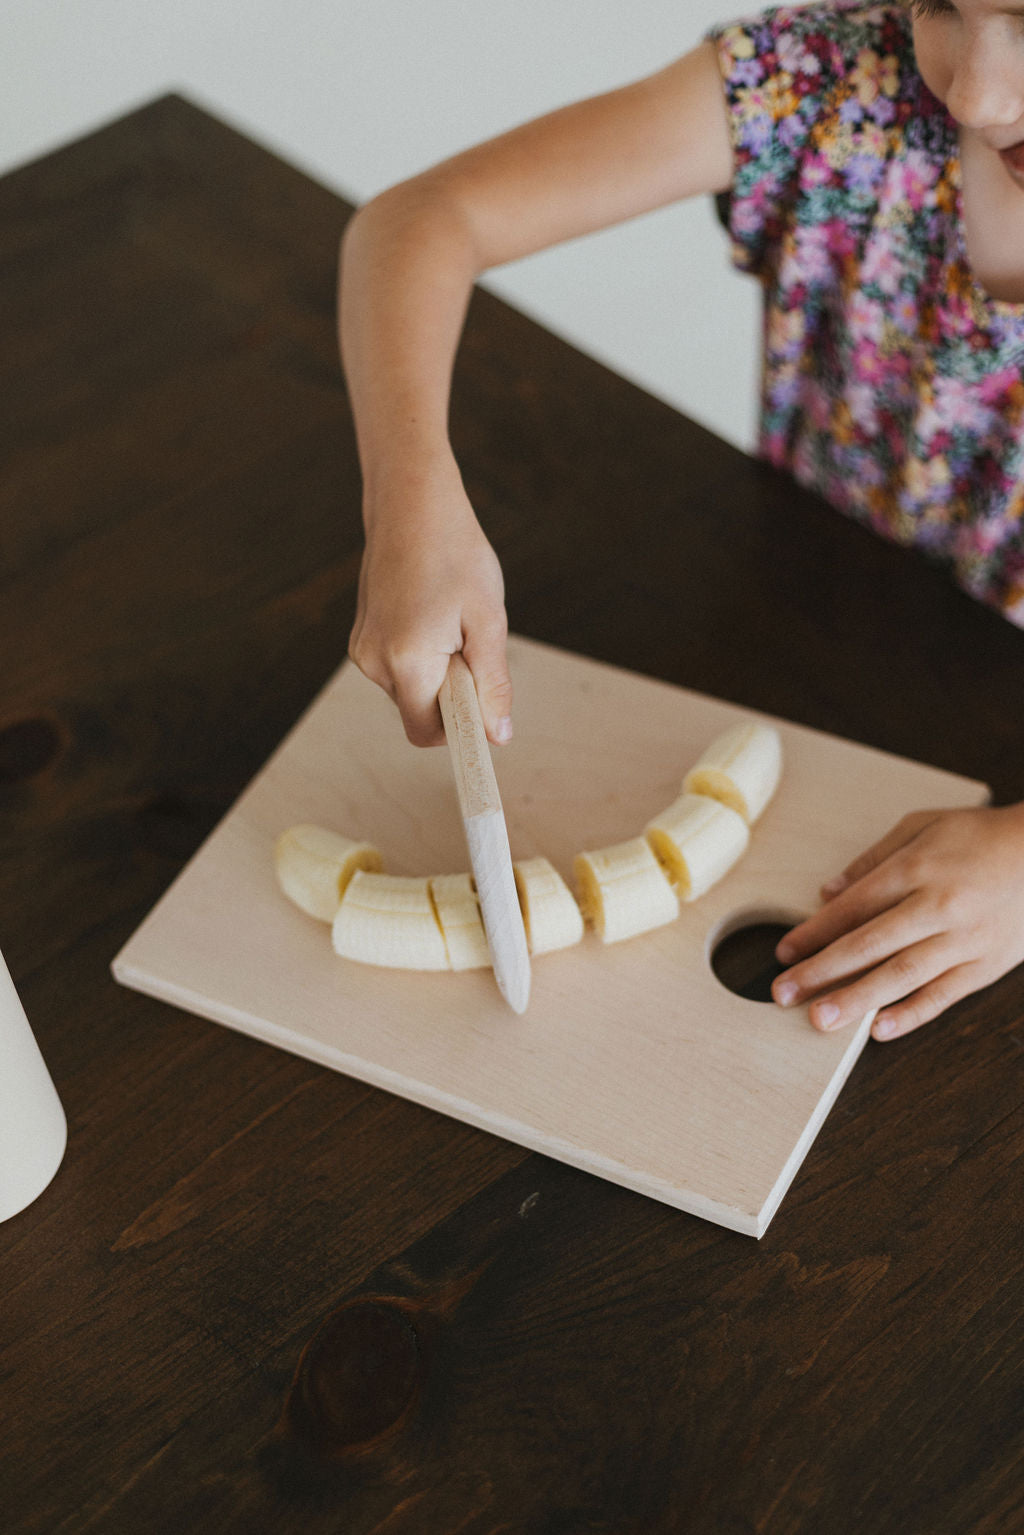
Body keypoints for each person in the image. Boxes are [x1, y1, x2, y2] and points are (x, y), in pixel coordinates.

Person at [338, 0, 1024, 1043]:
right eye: (941, 3)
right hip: (809, 640)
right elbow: (419, 219)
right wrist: (408, 500)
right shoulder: (835, 81)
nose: (972, 92)